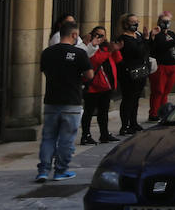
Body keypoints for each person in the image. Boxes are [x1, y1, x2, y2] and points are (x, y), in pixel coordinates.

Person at [37, 19, 93, 183]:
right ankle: (61, 170)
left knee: (48, 137)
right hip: (72, 100)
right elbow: (89, 75)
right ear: (74, 35)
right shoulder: (79, 53)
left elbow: (46, 72)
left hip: (52, 100)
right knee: (66, 139)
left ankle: (43, 170)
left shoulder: (47, 52)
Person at [81, 27, 119, 145]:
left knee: (103, 112)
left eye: (102, 35)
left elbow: (117, 60)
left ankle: (104, 134)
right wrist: (110, 52)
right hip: (93, 85)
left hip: (106, 86)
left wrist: (115, 50)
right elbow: (94, 61)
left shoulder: (106, 47)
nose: (100, 38)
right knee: (89, 111)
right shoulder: (91, 47)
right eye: (97, 35)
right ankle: (86, 135)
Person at [116, 13, 150, 135]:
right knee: (128, 99)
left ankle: (133, 122)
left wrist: (147, 39)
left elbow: (146, 50)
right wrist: (145, 39)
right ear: (126, 24)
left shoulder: (138, 35)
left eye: (137, 22)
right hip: (128, 73)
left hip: (140, 71)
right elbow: (138, 52)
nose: (136, 24)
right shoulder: (123, 38)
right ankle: (125, 125)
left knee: (136, 99)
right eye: (133, 22)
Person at [147, 12, 175, 121]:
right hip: (161, 66)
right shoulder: (156, 34)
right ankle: (154, 113)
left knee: (166, 91)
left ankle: (163, 111)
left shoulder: (171, 33)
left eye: (168, 21)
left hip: (173, 66)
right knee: (158, 91)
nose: (166, 23)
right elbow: (162, 46)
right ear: (159, 22)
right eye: (164, 21)